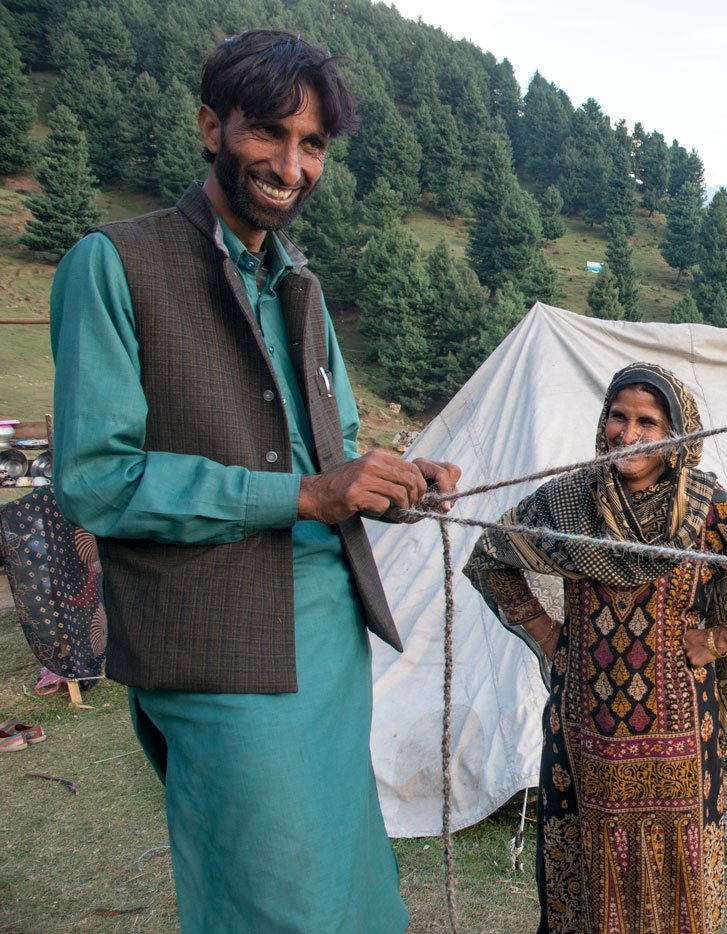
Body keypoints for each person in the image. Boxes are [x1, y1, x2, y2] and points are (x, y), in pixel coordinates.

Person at [48, 29, 460, 932]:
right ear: (210, 127)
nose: (290, 164)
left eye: (311, 144)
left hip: (326, 636)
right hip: (215, 644)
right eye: (268, 133)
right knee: (273, 903)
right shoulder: (114, 264)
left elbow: (334, 450)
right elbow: (95, 480)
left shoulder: (299, 284)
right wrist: (308, 497)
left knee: (352, 888)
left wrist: (396, 482)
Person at [465, 362, 727, 933]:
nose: (628, 434)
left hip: (679, 736)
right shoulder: (567, 503)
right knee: (584, 866)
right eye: (618, 417)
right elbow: (489, 559)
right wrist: (546, 632)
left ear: (678, 432)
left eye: (648, 422)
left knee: (678, 883)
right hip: (582, 730)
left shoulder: (704, 506)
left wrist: (722, 639)